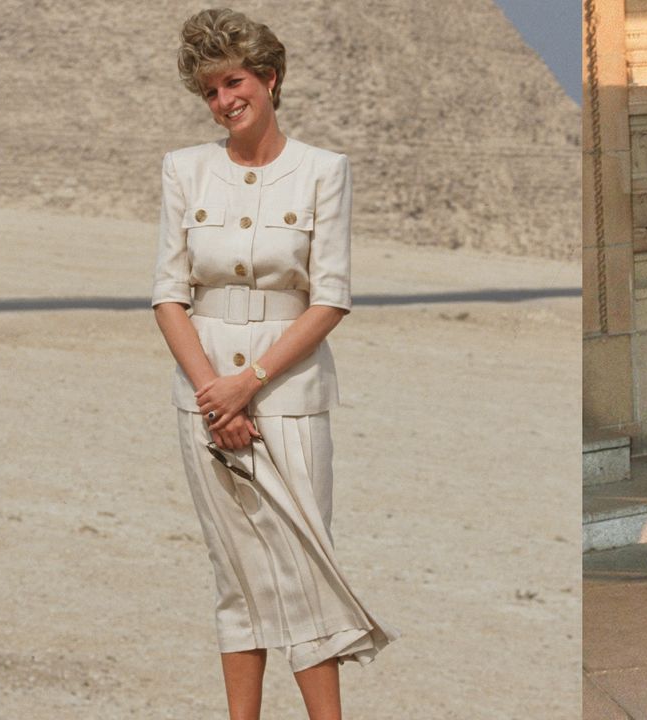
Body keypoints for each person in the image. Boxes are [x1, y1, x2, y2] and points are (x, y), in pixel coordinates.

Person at [151, 9, 397, 719]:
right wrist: (212, 393)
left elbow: (332, 299)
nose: (224, 101)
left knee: (305, 574)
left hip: (289, 396)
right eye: (209, 91)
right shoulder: (183, 170)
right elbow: (169, 295)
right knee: (235, 579)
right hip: (201, 397)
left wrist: (247, 385)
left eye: (235, 82)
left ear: (270, 78)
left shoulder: (323, 171)